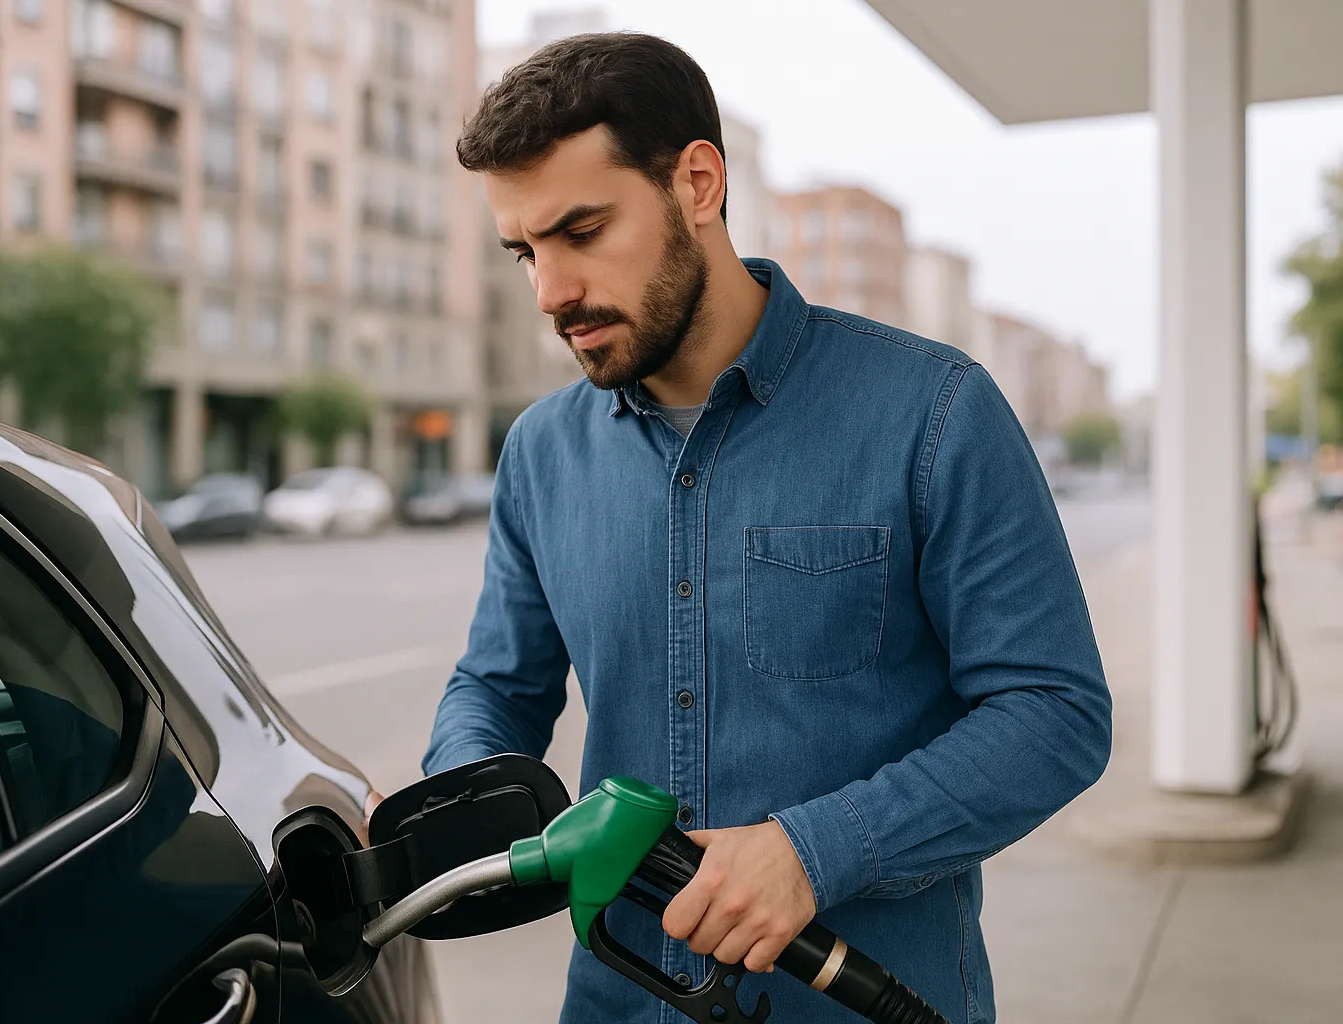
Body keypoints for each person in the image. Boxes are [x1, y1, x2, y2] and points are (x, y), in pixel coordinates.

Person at [422, 31, 1112, 1024]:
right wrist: (450, 800)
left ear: (697, 183)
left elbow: (1054, 712)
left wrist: (813, 850)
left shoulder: (934, 413)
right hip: (618, 997)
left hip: (867, 1001)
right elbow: (498, 683)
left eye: (581, 231)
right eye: (526, 250)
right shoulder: (541, 451)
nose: (550, 291)